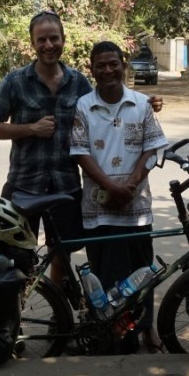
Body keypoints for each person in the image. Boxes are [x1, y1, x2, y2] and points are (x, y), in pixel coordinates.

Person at [0, 11, 162, 284]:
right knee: (19, 258)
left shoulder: (78, 82)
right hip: (24, 185)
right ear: (33, 43)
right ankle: (16, 317)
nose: (48, 45)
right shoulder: (15, 81)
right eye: (42, 40)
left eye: (54, 38)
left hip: (66, 186)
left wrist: (147, 101)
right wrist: (30, 128)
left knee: (61, 253)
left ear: (63, 40)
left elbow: (109, 97)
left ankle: (58, 315)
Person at [70, 41, 168, 354]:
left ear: (123, 65)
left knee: (142, 271)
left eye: (114, 63)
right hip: (99, 210)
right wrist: (111, 188)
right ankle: (111, 333)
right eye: (101, 65)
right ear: (92, 69)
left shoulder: (141, 105)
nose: (108, 70)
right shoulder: (83, 106)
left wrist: (131, 185)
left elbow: (151, 149)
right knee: (105, 277)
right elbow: (81, 154)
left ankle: (145, 327)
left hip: (136, 208)